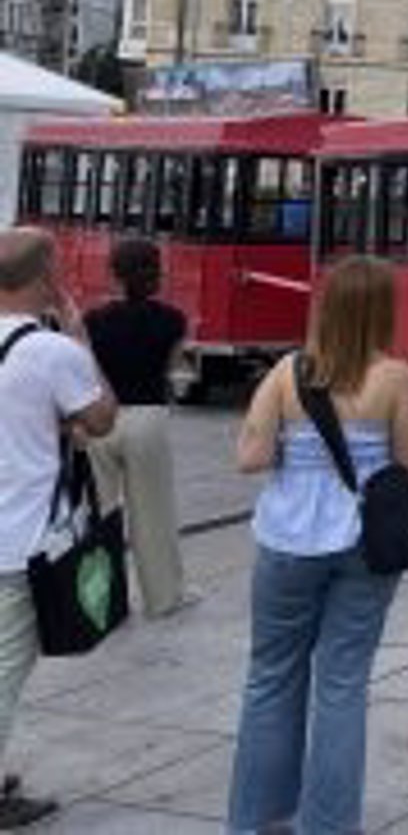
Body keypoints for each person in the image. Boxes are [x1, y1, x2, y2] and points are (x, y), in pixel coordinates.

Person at [227, 255, 408, 835]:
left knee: (271, 677)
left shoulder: (287, 374)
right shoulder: (393, 377)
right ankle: (329, 826)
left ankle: (256, 820)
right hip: (366, 544)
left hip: (288, 539)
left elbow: (251, 458)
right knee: (342, 684)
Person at [0, 229, 118, 831]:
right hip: (17, 542)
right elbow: (101, 418)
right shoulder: (51, 351)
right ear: (45, 280)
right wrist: (78, 337)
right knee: (2, 672)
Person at [83, 237, 193, 618]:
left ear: (113, 273)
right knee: (154, 513)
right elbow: (174, 371)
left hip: (100, 419)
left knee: (102, 516)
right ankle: (163, 598)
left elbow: (84, 372)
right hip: (148, 418)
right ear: (156, 272)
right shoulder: (173, 320)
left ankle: (105, 604)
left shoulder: (92, 321)